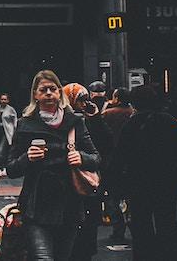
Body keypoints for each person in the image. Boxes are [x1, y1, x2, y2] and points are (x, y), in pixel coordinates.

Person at [6, 70, 101, 261]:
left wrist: (81, 157)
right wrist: (27, 157)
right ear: (35, 95)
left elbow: (96, 157)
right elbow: (11, 169)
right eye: (43, 90)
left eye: (53, 89)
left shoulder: (75, 121)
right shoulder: (25, 125)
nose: (49, 93)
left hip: (69, 206)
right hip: (36, 206)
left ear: (60, 93)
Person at [108, 84, 177, 260]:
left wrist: (114, 186)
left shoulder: (132, 124)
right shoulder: (169, 122)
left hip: (138, 184)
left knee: (141, 225)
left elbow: (119, 158)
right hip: (166, 183)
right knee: (168, 224)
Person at [63, 83, 113, 261]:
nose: (84, 104)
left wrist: (96, 118)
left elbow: (106, 143)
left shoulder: (91, 119)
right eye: (80, 100)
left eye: (86, 100)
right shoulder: (63, 121)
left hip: (89, 180)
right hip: (69, 183)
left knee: (89, 227)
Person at [101, 86, 135, 240]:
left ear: (117, 99)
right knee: (132, 195)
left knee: (112, 197)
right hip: (131, 161)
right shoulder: (133, 114)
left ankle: (118, 229)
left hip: (111, 161)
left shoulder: (108, 114)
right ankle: (134, 224)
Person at [0, 93, 17, 169]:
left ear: (8, 100)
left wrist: (15, 130)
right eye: (2, 99)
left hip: (7, 131)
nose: (3, 101)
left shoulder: (10, 109)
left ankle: (3, 166)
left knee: (2, 149)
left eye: (5, 99)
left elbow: (15, 120)